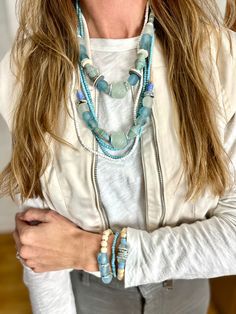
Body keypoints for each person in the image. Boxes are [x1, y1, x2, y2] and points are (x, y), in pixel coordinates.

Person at [0, 0, 236, 313]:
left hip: (185, 289)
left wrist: (90, 250)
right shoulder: (26, 67)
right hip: (87, 297)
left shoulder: (220, 56)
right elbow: (41, 240)